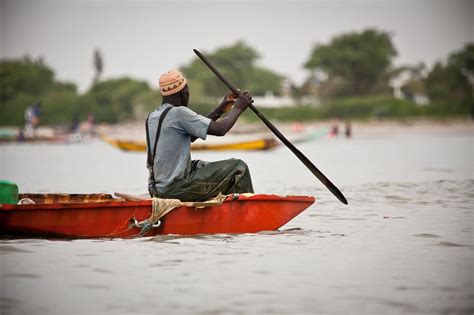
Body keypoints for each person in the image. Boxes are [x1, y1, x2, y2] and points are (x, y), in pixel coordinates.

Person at [146, 69, 254, 201]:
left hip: (156, 190)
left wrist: (219, 110)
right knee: (238, 167)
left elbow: (191, 136)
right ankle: (248, 207)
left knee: (199, 165)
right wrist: (239, 107)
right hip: (175, 189)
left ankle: (226, 204)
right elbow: (221, 129)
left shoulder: (153, 116)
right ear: (183, 91)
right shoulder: (180, 113)